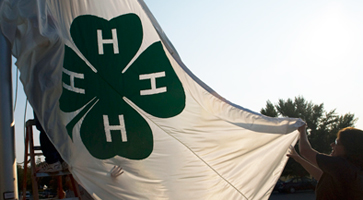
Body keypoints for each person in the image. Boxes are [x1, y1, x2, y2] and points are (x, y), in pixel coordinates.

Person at [287, 124, 363, 199]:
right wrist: (298, 159)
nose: (332, 145)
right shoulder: (352, 168)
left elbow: (305, 151)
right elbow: (320, 175)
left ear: (349, 148)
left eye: (337, 142)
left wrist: (302, 130)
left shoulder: (341, 165)